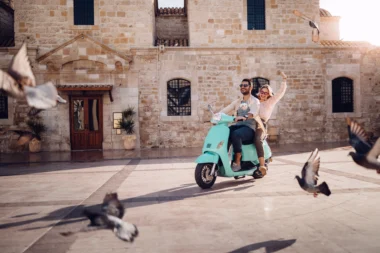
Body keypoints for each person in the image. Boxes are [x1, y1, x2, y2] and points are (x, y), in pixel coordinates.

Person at [219, 79, 260, 172]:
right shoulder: (238, 101)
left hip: (249, 129)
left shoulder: (255, 101)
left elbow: (253, 112)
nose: (243, 87)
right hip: (238, 126)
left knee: (236, 134)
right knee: (226, 131)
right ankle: (222, 157)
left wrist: (245, 116)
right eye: (241, 85)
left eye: (245, 85)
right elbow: (227, 109)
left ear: (251, 87)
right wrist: (217, 115)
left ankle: (237, 161)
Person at [255, 73, 287, 177]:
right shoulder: (254, 100)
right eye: (262, 92)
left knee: (257, 139)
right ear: (259, 92)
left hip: (261, 124)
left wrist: (284, 79)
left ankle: (262, 164)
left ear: (269, 94)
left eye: (266, 92)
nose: (263, 94)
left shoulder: (270, 102)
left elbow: (280, 93)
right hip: (250, 122)